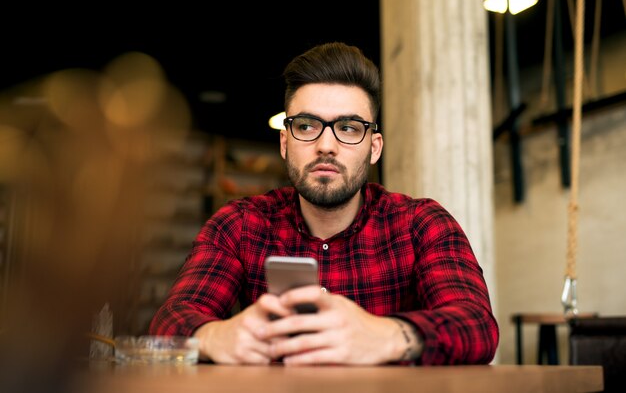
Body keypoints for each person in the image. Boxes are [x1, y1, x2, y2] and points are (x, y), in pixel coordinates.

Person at [149, 42, 499, 365]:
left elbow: (477, 324)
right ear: (285, 143)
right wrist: (215, 336)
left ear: (374, 147)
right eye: (307, 125)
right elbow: (171, 320)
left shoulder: (421, 223)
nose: (327, 146)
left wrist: (391, 336)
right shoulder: (240, 224)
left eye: (348, 127)